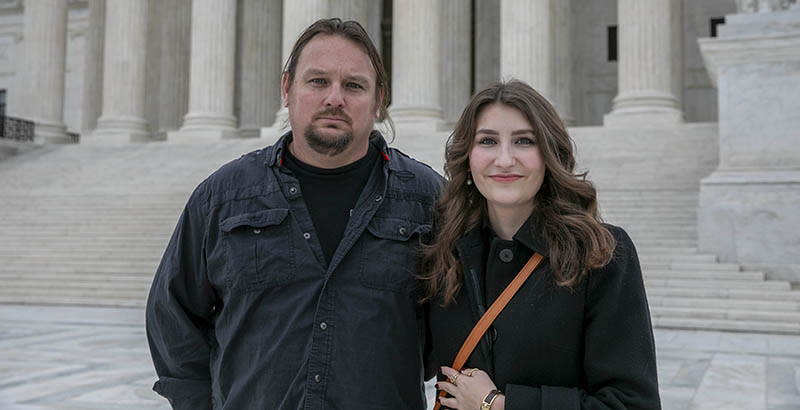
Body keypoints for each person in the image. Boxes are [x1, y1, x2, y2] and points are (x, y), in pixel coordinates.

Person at [146, 18, 441, 410]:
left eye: (353, 85)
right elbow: (172, 313)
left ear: (380, 100)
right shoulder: (223, 197)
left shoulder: (427, 199)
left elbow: (462, 322)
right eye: (317, 81)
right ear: (287, 89)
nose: (334, 98)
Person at [423, 80, 661, 410]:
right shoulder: (444, 251)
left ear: (549, 153)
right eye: (488, 141)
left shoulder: (600, 253)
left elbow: (632, 404)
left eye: (524, 141)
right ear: (468, 155)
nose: (504, 160)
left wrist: (496, 404)